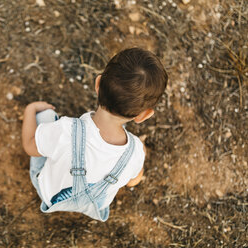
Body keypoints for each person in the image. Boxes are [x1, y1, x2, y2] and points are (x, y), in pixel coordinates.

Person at [21, 48, 168, 221]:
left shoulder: (65, 130)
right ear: (144, 116)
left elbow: (30, 147)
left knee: (44, 116)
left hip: (50, 195)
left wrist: (29, 110)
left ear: (98, 84)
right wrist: (137, 155)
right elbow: (133, 181)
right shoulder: (135, 153)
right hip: (95, 205)